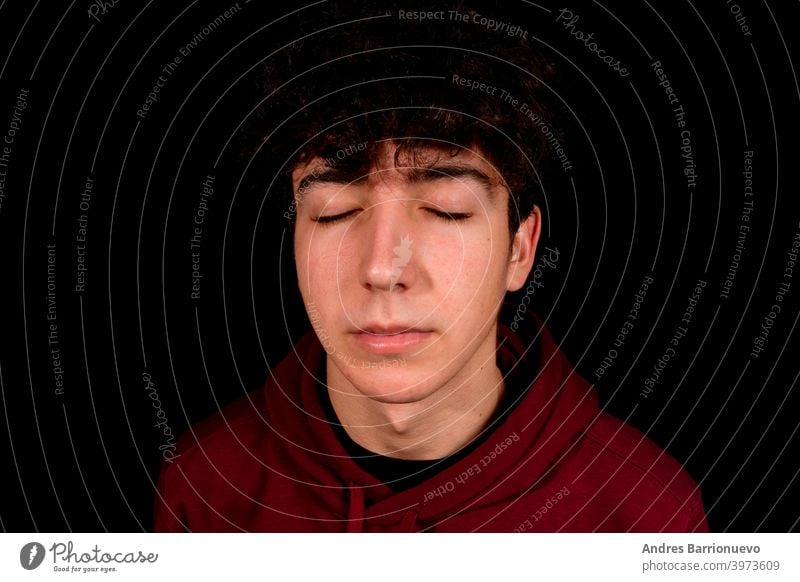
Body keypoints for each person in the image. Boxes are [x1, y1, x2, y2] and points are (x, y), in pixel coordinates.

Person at [153, 0, 708, 532]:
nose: (382, 268)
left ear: (520, 250)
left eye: (445, 210)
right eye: (334, 213)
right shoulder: (204, 487)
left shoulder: (646, 512)